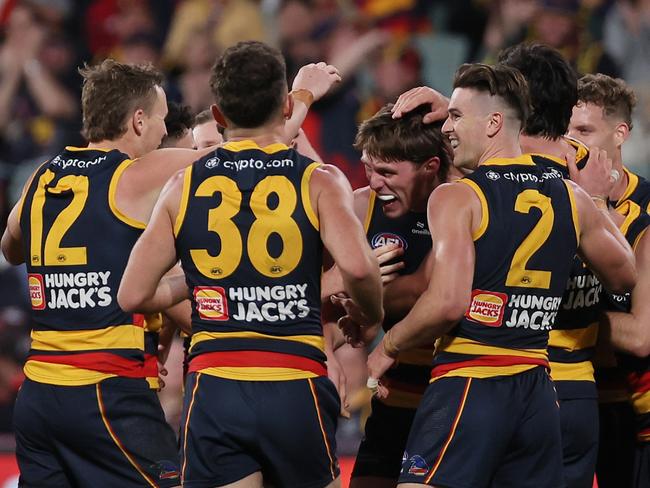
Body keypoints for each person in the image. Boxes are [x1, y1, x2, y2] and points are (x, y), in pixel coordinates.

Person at [1, 55, 342, 487]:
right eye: (162, 119)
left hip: (38, 396)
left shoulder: (42, 177)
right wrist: (303, 95)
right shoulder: (140, 173)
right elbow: (248, 155)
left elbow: (11, 247)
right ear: (139, 121)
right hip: (105, 390)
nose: (166, 132)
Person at [117, 41, 383, 488]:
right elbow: (358, 269)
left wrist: (207, 283)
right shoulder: (318, 180)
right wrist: (370, 318)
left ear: (217, 116)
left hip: (215, 385)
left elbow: (132, 294)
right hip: (294, 378)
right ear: (284, 106)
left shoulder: (185, 185)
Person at [365, 62, 636, 488]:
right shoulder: (571, 195)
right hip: (540, 393)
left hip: (472, 379)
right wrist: (599, 202)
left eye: (456, 116)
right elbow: (624, 275)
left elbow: (448, 301)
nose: (448, 128)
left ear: (493, 123)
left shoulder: (457, 196)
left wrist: (388, 347)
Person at [326, 103, 452, 488]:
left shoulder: (458, 201)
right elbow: (317, 293)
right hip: (391, 393)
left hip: (450, 391)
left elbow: (424, 290)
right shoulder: (359, 206)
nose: (374, 182)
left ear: (430, 167)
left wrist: (367, 297)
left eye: (386, 172)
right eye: (368, 168)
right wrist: (331, 348)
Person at [568, 73, 650, 488]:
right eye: (564, 129)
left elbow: (641, 336)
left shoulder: (648, 209)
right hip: (566, 395)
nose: (571, 141)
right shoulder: (552, 200)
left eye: (583, 130)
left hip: (634, 409)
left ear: (620, 134)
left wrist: (551, 317)